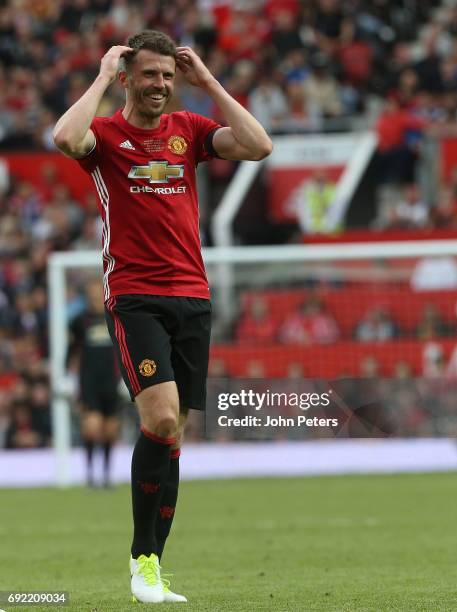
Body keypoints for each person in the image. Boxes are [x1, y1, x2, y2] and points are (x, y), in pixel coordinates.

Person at [53, 30, 272, 605]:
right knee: (164, 417)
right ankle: (142, 561)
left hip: (192, 297)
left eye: (168, 76)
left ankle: (153, 562)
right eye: (150, 75)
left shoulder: (189, 130)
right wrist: (100, 75)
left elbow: (258, 144)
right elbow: (64, 136)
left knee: (170, 432)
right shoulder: (103, 136)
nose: (161, 85)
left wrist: (208, 83)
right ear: (128, 78)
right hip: (134, 295)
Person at [67, 278, 120, 488]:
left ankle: (106, 477)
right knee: (91, 427)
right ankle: (90, 476)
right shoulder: (79, 321)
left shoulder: (115, 319)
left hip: (112, 381)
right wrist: (68, 377)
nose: (95, 296)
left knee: (110, 430)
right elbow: (72, 351)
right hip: (89, 382)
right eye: (91, 293)